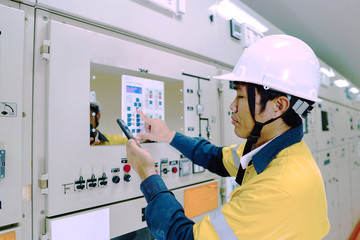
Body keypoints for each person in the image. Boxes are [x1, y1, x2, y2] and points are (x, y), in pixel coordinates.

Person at [126, 35, 330, 239]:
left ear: (278, 106)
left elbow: (186, 237)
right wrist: (169, 136)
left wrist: (148, 174)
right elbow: (216, 158)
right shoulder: (275, 152)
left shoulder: (279, 187)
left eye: (241, 96)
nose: (232, 106)